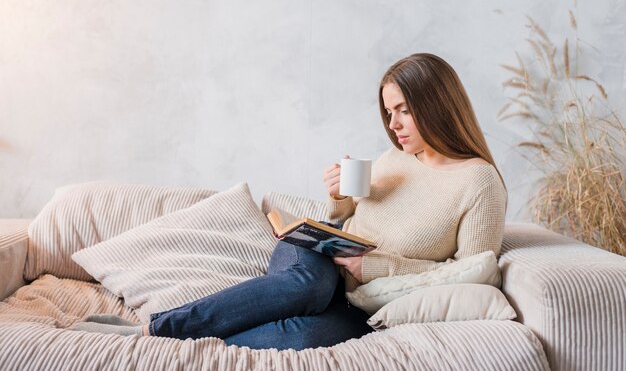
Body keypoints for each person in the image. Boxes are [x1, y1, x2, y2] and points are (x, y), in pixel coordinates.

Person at [70, 52, 507, 350]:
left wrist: (373, 268)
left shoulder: (479, 183)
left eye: (403, 111)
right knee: (309, 285)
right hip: (316, 260)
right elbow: (351, 216)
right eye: (388, 111)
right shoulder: (398, 156)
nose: (393, 125)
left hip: (367, 296)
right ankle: (154, 328)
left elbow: (473, 275)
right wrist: (337, 201)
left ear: (436, 105)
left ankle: (195, 338)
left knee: (301, 338)